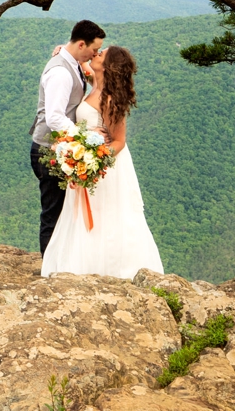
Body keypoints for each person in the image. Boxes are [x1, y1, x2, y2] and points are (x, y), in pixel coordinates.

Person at [40, 45, 165, 278]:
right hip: (87, 160)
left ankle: (110, 269)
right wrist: (63, 49)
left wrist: (93, 161)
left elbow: (119, 141)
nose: (96, 53)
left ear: (109, 67)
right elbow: (82, 61)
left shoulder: (108, 99)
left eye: (102, 53)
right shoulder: (95, 81)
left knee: (106, 217)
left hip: (105, 167)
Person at [30, 20, 105, 253]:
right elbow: (54, 118)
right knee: (53, 213)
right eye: (94, 50)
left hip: (58, 148)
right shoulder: (61, 72)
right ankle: (49, 269)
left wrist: (63, 48)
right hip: (47, 150)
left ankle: (57, 262)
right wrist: (85, 137)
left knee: (62, 211)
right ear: (82, 44)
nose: (96, 54)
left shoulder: (71, 60)